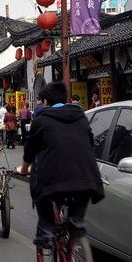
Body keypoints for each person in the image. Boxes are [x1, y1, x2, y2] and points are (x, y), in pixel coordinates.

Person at [17, 81, 103, 245]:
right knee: (80, 194)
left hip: (53, 178)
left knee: (38, 182)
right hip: (86, 176)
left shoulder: (40, 120)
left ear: (46, 102)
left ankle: (47, 228)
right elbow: (91, 142)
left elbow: (30, 150)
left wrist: (25, 169)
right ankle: (77, 220)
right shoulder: (81, 116)